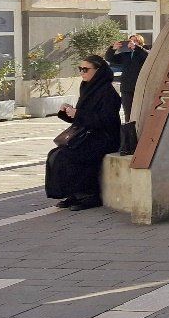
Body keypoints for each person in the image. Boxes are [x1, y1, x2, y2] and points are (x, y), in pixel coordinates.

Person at [45, 55, 121, 210]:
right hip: (88, 134)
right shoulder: (87, 88)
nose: (82, 73)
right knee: (56, 154)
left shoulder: (108, 92)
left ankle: (89, 195)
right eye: (80, 69)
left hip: (105, 137)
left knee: (70, 156)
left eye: (85, 69)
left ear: (98, 71)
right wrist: (67, 112)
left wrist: (77, 114)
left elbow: (106, 119)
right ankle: (72, 194)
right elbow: (82, 118)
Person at [105, 35, 149, 120]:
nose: (131, 43)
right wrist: (112, 49)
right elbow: (109, 58)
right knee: (128, 112)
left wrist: (137, 48)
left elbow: (149, 56)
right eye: (130, 41)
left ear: (140, 43)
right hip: (126, 87)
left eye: (134, 41)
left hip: (140, 86)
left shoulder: (143, 51)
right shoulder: (126, 54)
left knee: (141, 112)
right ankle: (129, 127)